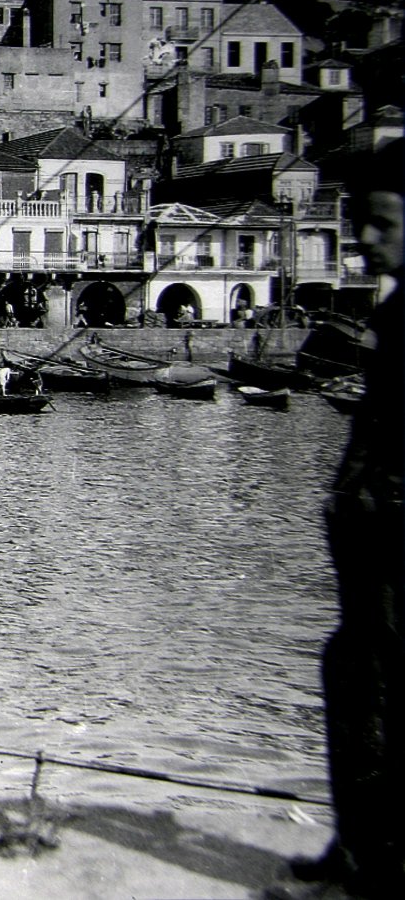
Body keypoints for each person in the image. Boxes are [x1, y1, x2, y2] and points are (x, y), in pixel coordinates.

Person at [277, 140, 403, 900]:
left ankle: (374, 863)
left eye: (383, 222)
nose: (365, 239)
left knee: (376, 685)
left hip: (393, 544)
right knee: (352, 674)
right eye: (359, 223)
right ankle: (358, 845)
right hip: (368, 540)